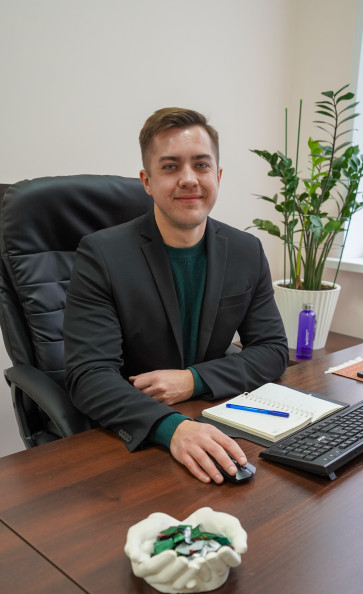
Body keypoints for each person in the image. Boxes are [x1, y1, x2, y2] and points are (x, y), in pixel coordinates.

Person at [64, 107, 288, 484]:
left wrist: (193, 380)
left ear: (217, 176)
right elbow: (89, 374)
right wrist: (172, 428)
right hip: (133, 432)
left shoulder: (246, 250)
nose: (188, 179)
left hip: (214, 418)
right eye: (170, 167)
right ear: (147, 181)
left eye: (201, 165)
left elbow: (273, 349)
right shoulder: (101, 254)